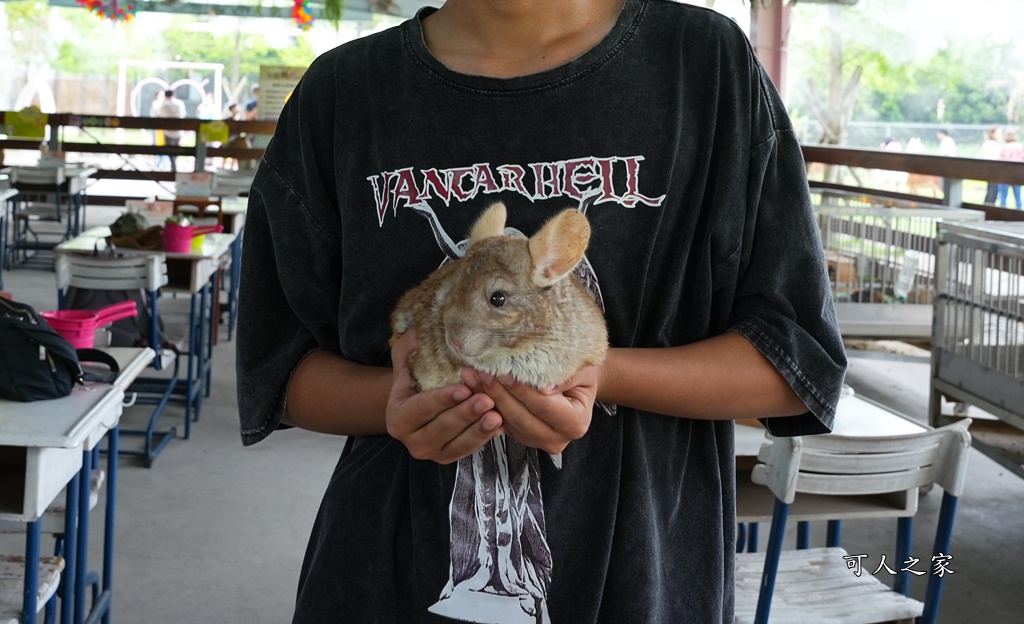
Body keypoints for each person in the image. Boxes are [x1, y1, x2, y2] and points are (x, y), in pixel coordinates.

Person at [235, 1, 846, 622]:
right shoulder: (341, 93)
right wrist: (403, 397)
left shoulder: (706, 68)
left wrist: (597, 374)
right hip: (384, 577)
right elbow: (277, 374)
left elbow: (797, 370)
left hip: (641, 580)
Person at [156, 89, 187, 173]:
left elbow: (160, 116)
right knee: (176, 148)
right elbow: (183, 114)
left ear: (166, 96)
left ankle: (173, 164)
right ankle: (174, 163)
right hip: (178, 131)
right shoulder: (180, 103)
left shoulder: (164, 104)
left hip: (168, 131)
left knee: (169, 148)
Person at [998, 128, 1024, 208]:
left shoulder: (1005, 147)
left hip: (1004, 175)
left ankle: (1001, 215)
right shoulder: (1019, 147)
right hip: (1017, 175)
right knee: (1018, 197)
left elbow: (1000, 161)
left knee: (1003, 198)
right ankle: (1019, 216)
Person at [982, 126, 1002, 204]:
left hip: (990, 171)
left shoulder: (988, 143)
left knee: (991, 191)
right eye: (998, 133)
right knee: (992, 192)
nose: (1000, 135)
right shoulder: (992, 144)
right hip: (993, 171)